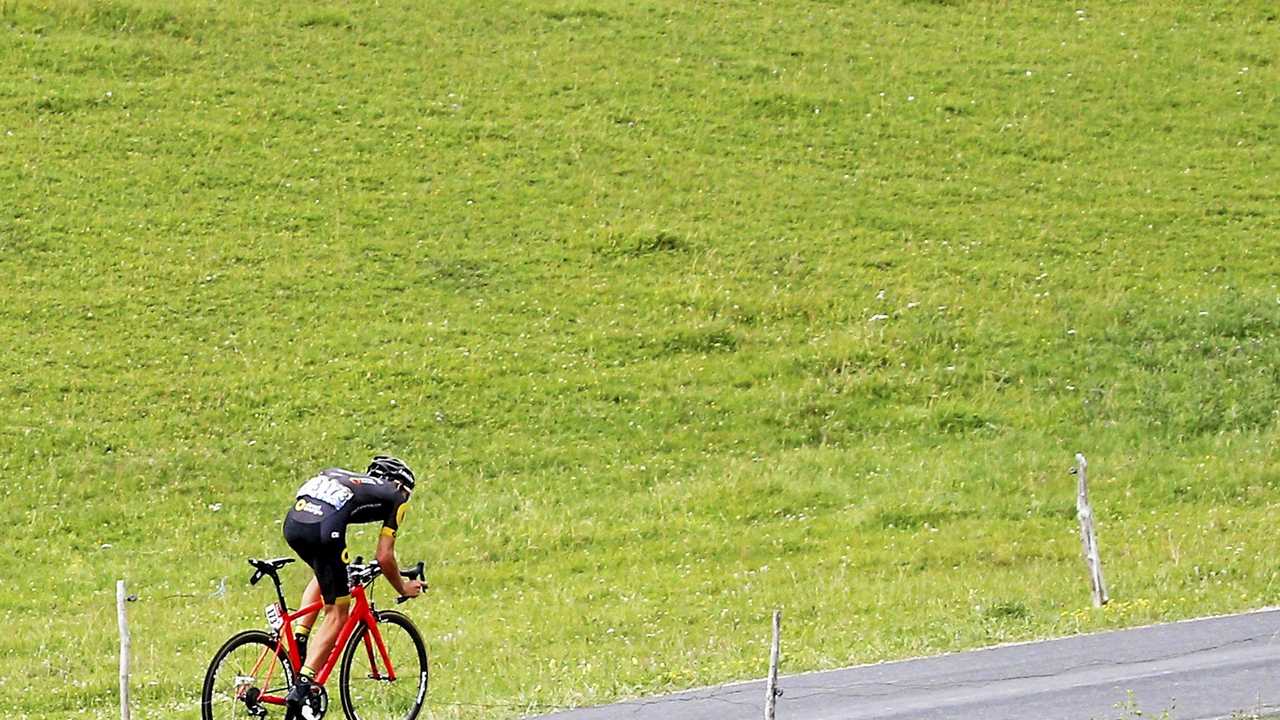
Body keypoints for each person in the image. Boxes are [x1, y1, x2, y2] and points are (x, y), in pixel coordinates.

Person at [281, 455, 424, 717]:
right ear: (400, 484)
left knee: (323, 569)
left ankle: (300, 636)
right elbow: (384, 556)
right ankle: (303, 686)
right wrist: (402, 587)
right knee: (338, 613)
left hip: (293, 525)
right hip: (325, 531)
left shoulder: (346, 478)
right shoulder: (396, 495)